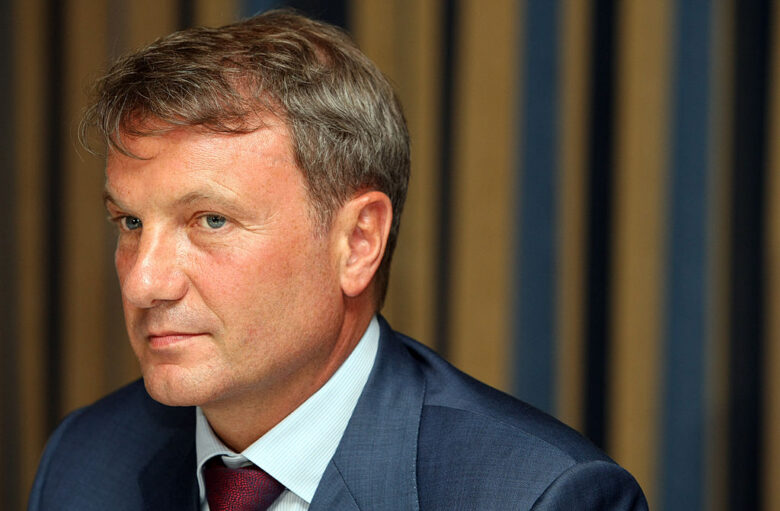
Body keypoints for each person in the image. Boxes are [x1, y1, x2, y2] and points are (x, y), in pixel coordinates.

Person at [28, 9, 647, 511]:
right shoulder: (85, 460)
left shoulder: (537, 496)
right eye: (131, 223)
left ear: (357, 242)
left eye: (211, 220)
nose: (143, 282)